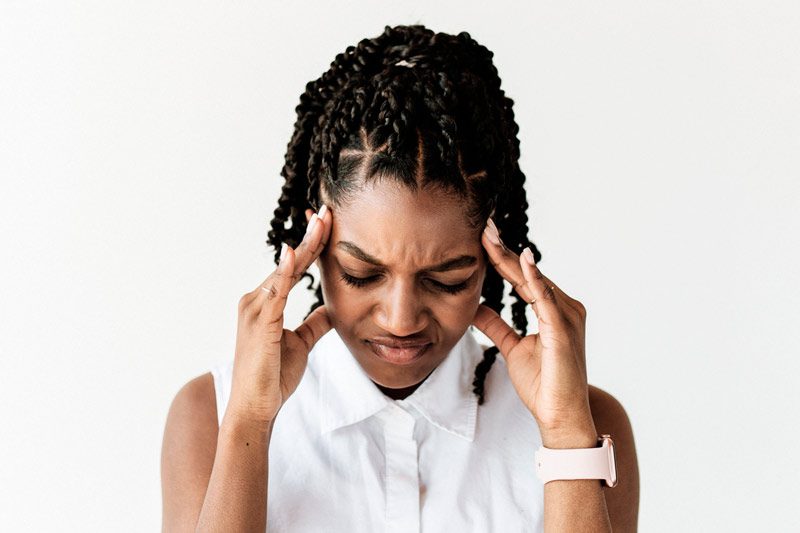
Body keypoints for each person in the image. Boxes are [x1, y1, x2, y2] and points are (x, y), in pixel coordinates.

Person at [161, 24, 640, 532]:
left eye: (447, 279)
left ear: (494, 256)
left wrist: (566, 436)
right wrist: (249, 424)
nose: (400, 318)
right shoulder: (208, 417)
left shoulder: (589, 425)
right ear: (312, 247)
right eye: (361, 273)